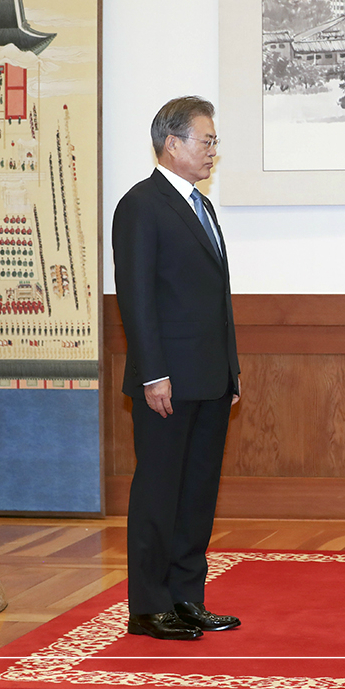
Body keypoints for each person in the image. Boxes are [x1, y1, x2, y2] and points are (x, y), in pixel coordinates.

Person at [112, 96, 241, 640]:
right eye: (206, 141)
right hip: (165, 381)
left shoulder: (201, 206)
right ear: (172, 144)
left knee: (196, 495)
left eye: (214, 142)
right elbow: (136, 298)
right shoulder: (141, 205)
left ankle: (187, 597)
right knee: (159, 493)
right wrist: (152, 373)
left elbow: (216, 299)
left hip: (210, 378)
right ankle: (148, 606)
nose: (213, 151)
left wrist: (231, 370)